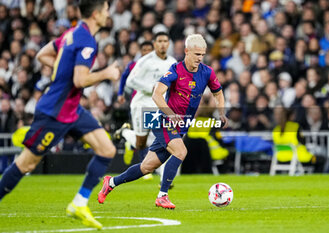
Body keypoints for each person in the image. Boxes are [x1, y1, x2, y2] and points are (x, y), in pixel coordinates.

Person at [0, 0, 120, 229]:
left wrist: (65, 65)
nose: (108, 13)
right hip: (55, 111)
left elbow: (43, 54)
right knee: (25, 164)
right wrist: (107, 72)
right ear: (96, 14)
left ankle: (79, 203)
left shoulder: (71, 34)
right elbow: (80, 80)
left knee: (107, 149)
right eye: (105, 10)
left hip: (72, 109)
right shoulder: (86, 39)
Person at [98, 34, 228, 209]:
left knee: (146, 167)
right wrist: (170, 113)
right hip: (162, 120)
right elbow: (156, 94)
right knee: (181, 151)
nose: (200, 58)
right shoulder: (174, 70)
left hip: (181, 125)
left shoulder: (207, 72)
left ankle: (111, 182)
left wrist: (221, 111)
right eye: (197, 54)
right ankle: (162, 196)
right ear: (187, 51)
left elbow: (218, 92)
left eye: (202, 54)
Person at [115, 32, 177, 179]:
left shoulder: (173, 62)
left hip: (159, 105)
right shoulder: (145, 61)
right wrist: (151, 87)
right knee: (141, 142)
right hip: (142, 103)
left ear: (169, 44)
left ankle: (161, 174)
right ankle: (125, 133)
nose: (162, 44)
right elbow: (130, 81)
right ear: (155, 43)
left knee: (161, 139)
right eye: (159, 41)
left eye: (165, 41)